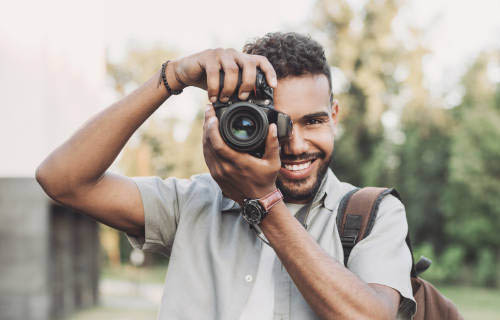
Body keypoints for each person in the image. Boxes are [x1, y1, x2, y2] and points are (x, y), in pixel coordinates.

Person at [36, 32, 416, 319]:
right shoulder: (192, 203)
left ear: (334, 115)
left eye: (314, 121)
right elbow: (63, 180)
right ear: (238, 124)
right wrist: (171, 78)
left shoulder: (372, 213)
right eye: (278, 124)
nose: (297, 144)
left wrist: (264, 203)